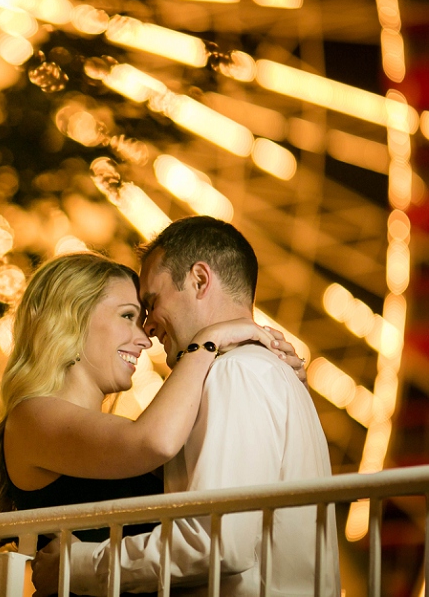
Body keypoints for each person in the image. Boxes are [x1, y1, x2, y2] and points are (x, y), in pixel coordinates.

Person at [31, 216, 340, 596]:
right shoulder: (259, 372)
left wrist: (77, 565)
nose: (147, 330)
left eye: (150, 303)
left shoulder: (235, 373)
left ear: (199, 280)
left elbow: (216, 541)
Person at [0, 251, 304, 544]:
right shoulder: (31, 418)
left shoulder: (118, 434)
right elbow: (153, 442)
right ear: (71, 318)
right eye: (128, 316)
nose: (145, 339)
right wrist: (209, 340)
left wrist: (282, 381)